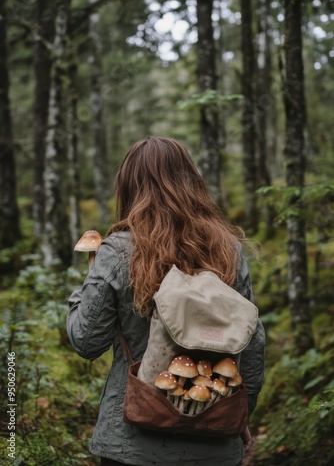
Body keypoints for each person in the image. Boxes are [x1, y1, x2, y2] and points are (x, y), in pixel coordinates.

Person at [66, 136, 265, 466]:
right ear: (192, 182)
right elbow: (252, 343)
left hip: (131, 441)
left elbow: (87, 342)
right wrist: (241, 415)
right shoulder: (228, 249)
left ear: (129, 187)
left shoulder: (117, 250)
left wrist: (81, 292)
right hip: (213, 436)